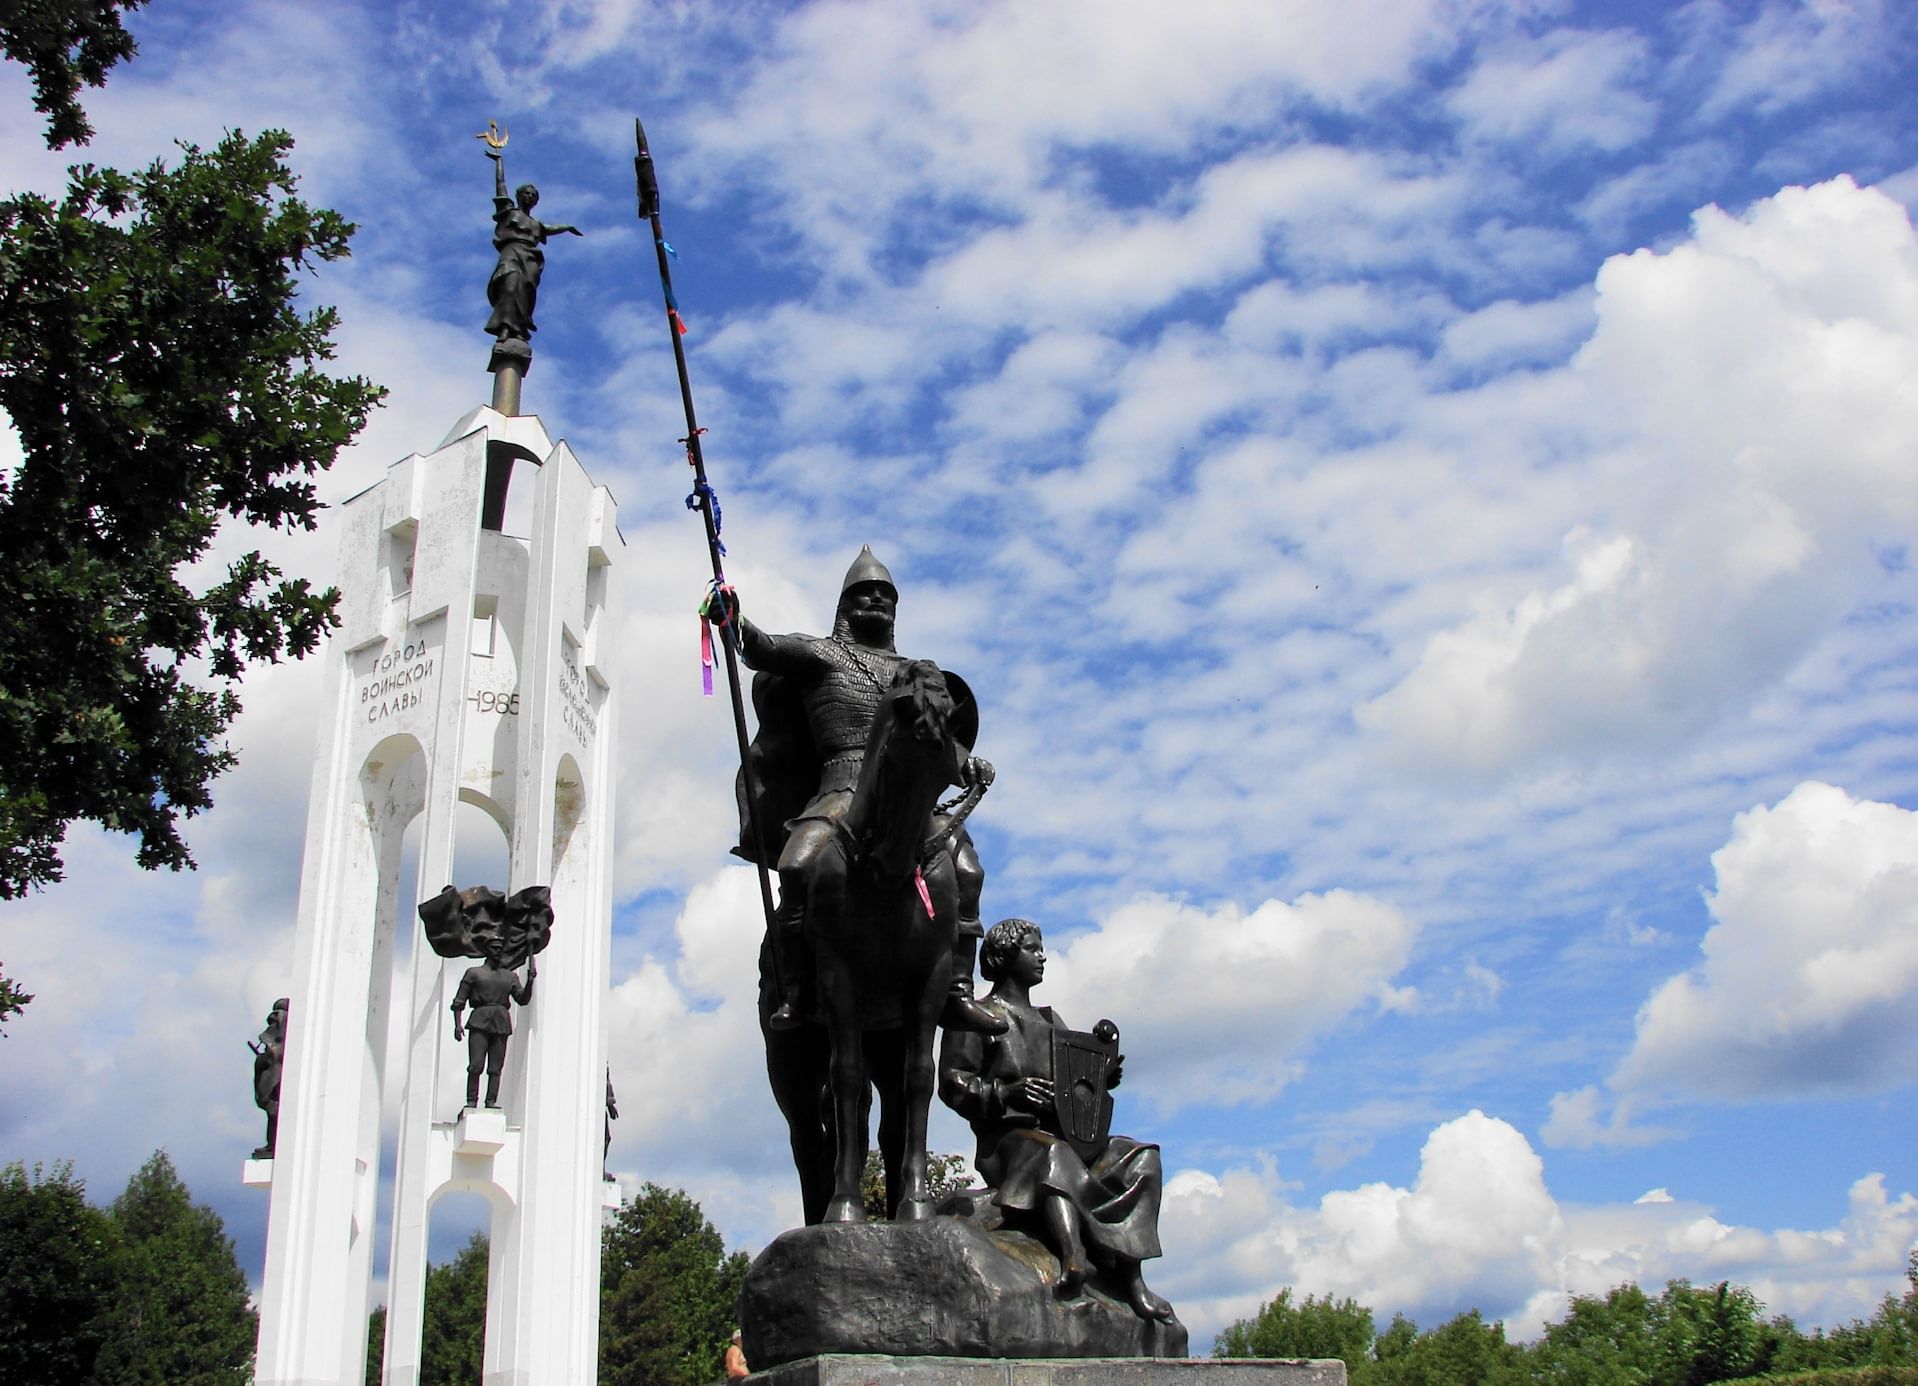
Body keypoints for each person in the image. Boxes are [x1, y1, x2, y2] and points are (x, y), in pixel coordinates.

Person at [729, 546, 1000, 1034]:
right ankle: (796, 989)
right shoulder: (821, 654)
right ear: (845, 603)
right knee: (795, 867)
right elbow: (763, 647)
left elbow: (941, 733)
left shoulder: (916, 668)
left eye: (885, 594)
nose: (876, 600)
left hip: (908, 797)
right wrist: (733, 619)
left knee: (969, 871)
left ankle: (957, 990)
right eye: (864, 592)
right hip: (837, 789)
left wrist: (967, 762)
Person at [938, 918, 1175, 1322]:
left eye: (1040, 947)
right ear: (1003, 957)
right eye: (1031, 948)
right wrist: (1004, 1093)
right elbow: (952, 1084)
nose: (1042, 956)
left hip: (1064, 1135)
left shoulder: (1052, 1022)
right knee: (1055, 1155)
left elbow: (1074, 1086)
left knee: (1140, 1156)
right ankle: (1073, 1255)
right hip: (1008, 1142)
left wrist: (1101, 1078)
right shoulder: (978, 1017)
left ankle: (1133, 1278)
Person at [483, 149, 581, 342]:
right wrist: (499, 162)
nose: (529, 196)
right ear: (519, 196)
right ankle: (504, 327)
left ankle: (519, 328)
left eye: (533, 194)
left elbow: (551, 228)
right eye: (526, 193)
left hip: (530, 259)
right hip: (511, 253)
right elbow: (501, 187)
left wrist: (568, 227)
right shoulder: (509, 212)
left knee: (525, 290)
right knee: (510, 285)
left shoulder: (536, 224)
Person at [450, 946, 536, 1109]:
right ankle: (471, 1100)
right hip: (479, 1020)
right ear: (487, 950)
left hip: (501, 1022)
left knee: (496, 1068)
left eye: (500, 949)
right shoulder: (474, 973)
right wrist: (457, 1024)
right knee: (476, 1065)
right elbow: (459, 1001)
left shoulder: (510, 977)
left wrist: (530, 981)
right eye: (494, 948)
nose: (498, 952)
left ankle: (491, 1101)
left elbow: (522, 999)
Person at [248, 997, 289, 1159]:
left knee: (274, 1109)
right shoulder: (284, 1027)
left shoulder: (280, 1024)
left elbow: (273, 1054)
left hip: (276, 1076)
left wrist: (262, 1059)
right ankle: (273, 1144)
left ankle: (274, 1144)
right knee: (273, 1110)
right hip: (275, 1074)